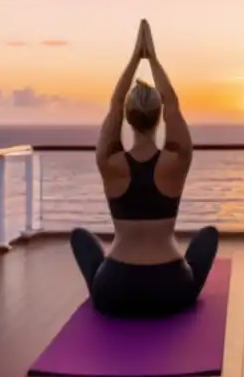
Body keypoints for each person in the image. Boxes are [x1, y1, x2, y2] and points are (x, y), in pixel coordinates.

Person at [69, 19, 219, 318]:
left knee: (79, 236)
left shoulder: (110, 162)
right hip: (171, 288)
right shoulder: (176, 161)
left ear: (126, 117)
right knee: (209, 235)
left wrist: (135, 58)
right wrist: (153, 58)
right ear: (160, 114)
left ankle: (98, 285)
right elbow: (173, 102)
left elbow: (114, 104)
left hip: (115, 289)